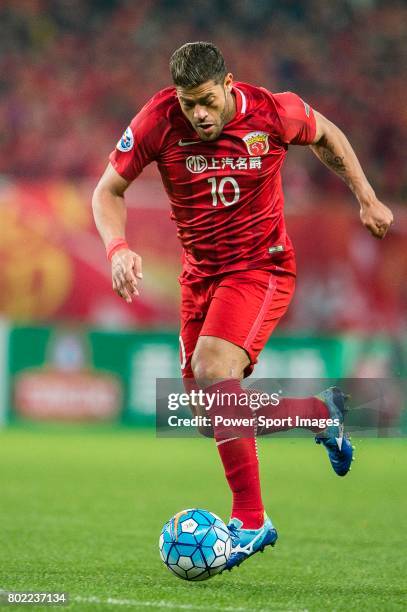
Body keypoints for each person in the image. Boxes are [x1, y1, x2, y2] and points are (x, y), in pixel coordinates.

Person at [92, 42, 393, 570]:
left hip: (261, 267)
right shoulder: (158, 120)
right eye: (189, 104)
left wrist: (365, 196)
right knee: (211, 417)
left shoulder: (272, 112)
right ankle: (318, 414)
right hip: (199, 276)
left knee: (213, 370)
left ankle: (252, 522)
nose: (199, 114)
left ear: (228, 83)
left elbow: (327, 134)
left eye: (207, 100)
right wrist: (117, 248)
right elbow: (107, 191)